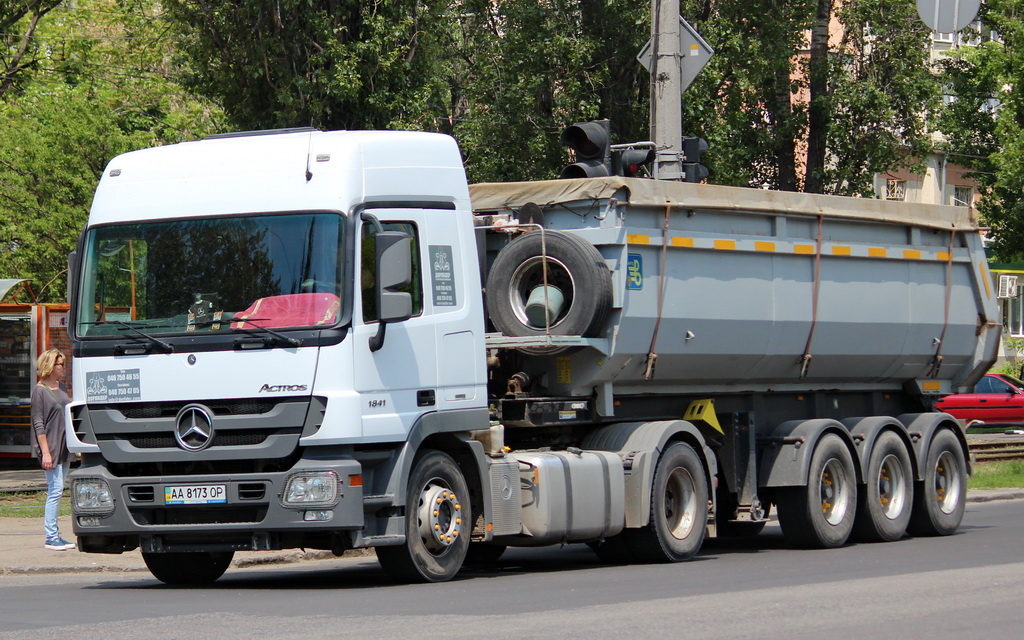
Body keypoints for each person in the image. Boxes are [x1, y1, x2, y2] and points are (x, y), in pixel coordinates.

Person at [31, 348, 75, 551]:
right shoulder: (40, 390)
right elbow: (38, 423)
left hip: (65, 446)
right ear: (50, 365)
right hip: (51, 447)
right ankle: (51, 536)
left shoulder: (62, 388)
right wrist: (45, 452)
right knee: (55, 491)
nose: (63, 367)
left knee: (59, 489)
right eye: (60, 364)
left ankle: (56, 534)